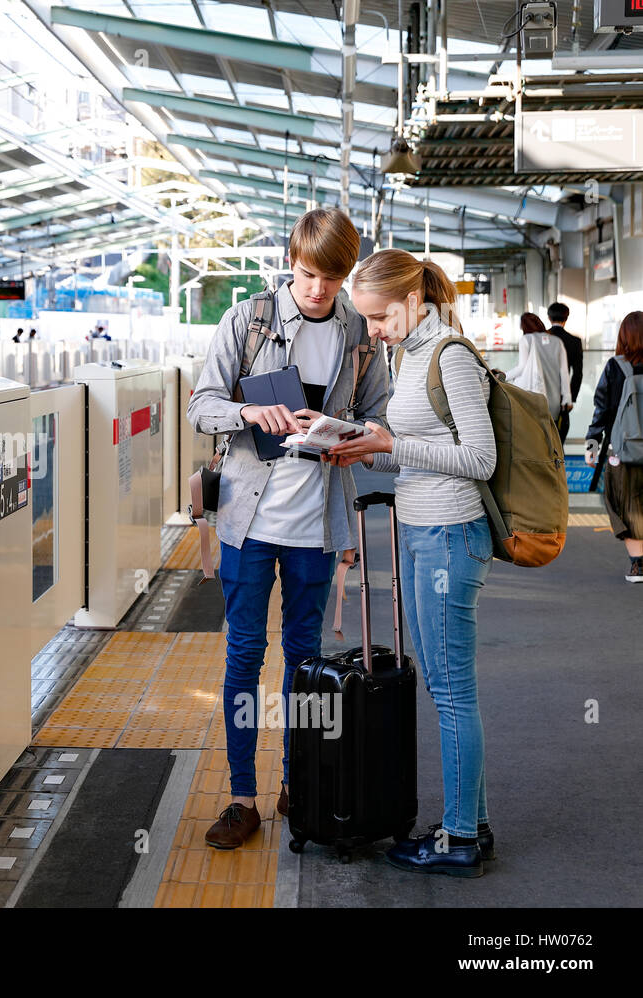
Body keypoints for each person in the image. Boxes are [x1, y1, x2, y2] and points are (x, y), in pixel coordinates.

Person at [186, 207, 390, 849]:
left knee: (304, 663)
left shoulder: (360, 335)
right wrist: (250, 411)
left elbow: (379, 421)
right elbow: (201, 405)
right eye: (306, 275)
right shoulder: (246, 319)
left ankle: (299, 783)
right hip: (248, 521)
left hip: (316, 522)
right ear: (289, 262)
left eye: (331, 279)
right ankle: (242, 796)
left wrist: (347, 439)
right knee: (244, 656)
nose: (317, 290)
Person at [329, 248, 498, 877]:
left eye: (378, 317)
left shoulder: (449, 356)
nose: (372, 329)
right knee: (444, 685)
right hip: (424, 530)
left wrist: (392, 443)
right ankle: (470, 825)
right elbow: (414, 453)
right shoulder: (410, 355)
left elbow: (480, 460)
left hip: (452, 536)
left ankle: (458, 839)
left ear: (412, 301)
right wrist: (362, 449)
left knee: (452, 692)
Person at [585, 311, 643, 583]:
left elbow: (602, 410)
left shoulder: (615, 367)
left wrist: (593, 446)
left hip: (623, 451)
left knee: (624, 505)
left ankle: (638, 565)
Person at [508, 312, 570, 426]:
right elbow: (564, 372)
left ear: (524, 327)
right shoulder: (557, 342)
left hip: (534, 398)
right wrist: (567, 398)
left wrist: (504, 376)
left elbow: (522, 368)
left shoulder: (526, 339)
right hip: (554, 400)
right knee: (552, 436)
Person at [546, 302, 583, 444]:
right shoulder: (574, 341)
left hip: (542, 394)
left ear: (549, 318)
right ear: (566, 318)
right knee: (560, 438)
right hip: (562, 397)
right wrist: (571, 398)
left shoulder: (541, 339)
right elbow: (578, 373)